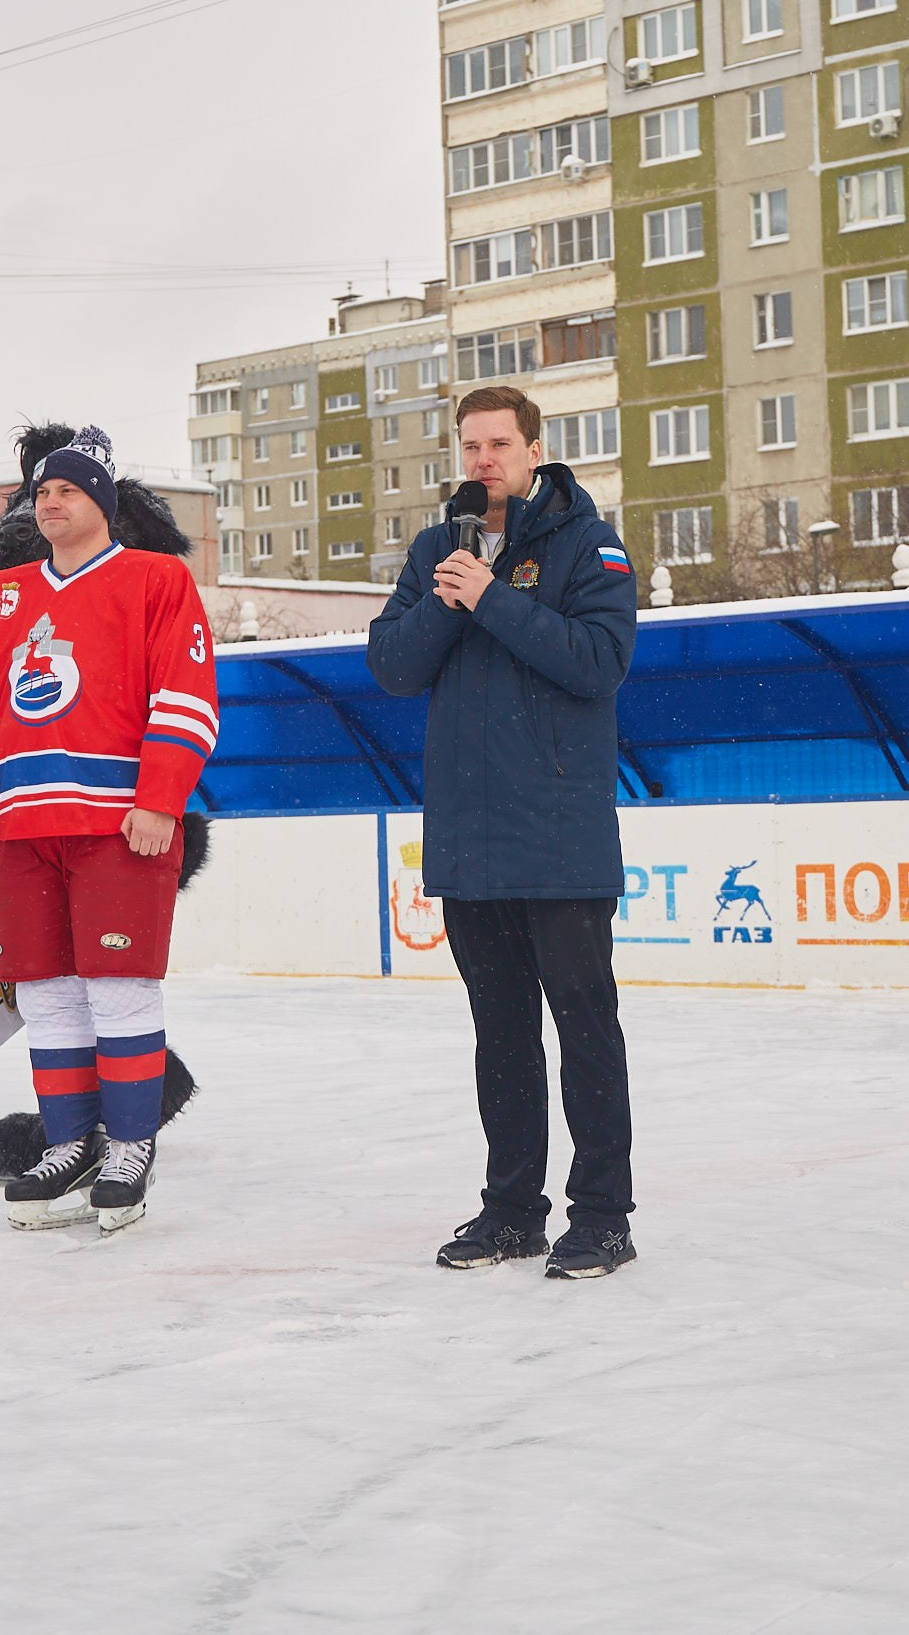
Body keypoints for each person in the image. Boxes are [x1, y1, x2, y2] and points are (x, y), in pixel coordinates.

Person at [365, 385, 641, 1280]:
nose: (482, 460)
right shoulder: (436, 549)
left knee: (584, 1029)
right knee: (502, 1036)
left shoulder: (588, 544)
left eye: (499, 444)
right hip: (469, 839)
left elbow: (599, 663)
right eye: (471, 445)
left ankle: (603, 1216)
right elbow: (392, 667)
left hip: (560, 838)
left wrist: (492, 599)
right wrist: (448, 600)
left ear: (532, 451)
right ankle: (513, 1212)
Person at [0, 425, 220, 1236]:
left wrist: (159, 798)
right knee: (47, 991)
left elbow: (187, 696)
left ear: (102, 500)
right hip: (27, 828)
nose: (50, 501)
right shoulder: (2, 594)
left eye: (67, 489)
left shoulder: (156, 578)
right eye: (42, 491)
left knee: (119, 986)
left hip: (119, 823)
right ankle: (71, 1143)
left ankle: (129, 1145)